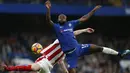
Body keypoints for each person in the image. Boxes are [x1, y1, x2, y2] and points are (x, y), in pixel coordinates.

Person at [45, 0, 130, 73]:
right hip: (70, 55)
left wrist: (93, 10)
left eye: (63, 16)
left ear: (66, 19)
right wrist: (48, 9)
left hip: (78, 48)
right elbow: (48, 20)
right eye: (60, 17)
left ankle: (120, 54)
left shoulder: (71, 24)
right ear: (58, 20)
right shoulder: (57, 27)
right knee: (72, 71)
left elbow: (84, 18)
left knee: (98, 48)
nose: (62, 16)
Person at [0, 28, 94, 73]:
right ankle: (8, 68)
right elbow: (73, 33)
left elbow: (61, 64)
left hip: (47, 68)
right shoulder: (60, 41)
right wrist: (84, 30)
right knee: (33, 68)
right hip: (44, 61)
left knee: (34, 68)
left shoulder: (64, 54)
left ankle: (9, 68)